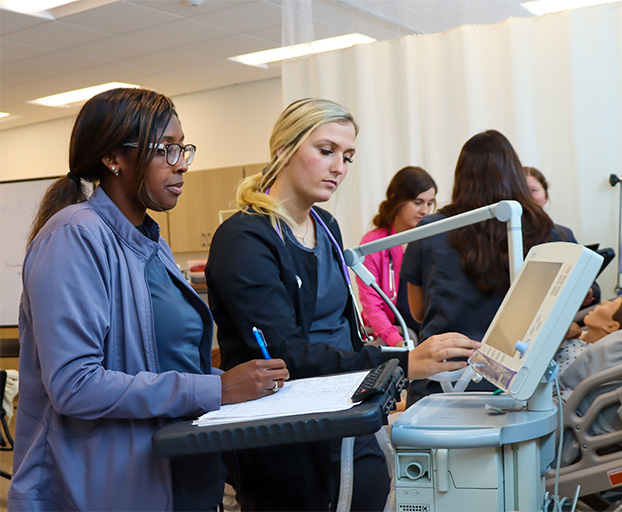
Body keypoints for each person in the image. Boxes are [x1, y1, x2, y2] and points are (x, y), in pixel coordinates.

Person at [8, 88, 290, 512]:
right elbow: (75, 385)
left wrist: (237, 383)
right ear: (113, 158)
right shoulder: (74, 235)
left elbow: (158, 360)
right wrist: (216, 388)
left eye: (183, 149)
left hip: (182, 470)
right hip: (108, 486)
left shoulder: (152, 242)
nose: (182, 164)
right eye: (166, 150)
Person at [204, 98, 478, 512]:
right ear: (283, 150)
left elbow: (343, 330)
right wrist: (402, 363)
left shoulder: (325, 225)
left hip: (346, 409)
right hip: (287, 435)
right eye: (326, 150)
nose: (339, 168)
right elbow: (286, 354)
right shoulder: (244, 239)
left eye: (347, 157)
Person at [400, 130, 572, 405]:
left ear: (461, 177)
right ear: (515, 174)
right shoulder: (547, 232)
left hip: (442, 381)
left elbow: (418, 311)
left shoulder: (430, 230)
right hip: (517, 384)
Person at [357, 166, 437, 347]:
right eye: (418, 202)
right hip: (391, 334)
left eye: (430, 203)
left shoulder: (433, 241)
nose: (425, 210)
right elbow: (372, 307)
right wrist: (398, 342)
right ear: (396, 200)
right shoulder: (372, 244)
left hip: (426, 332)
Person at [524, 165, 600, 308]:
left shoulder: (564, 233)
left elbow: (592, 284)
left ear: (546, 196)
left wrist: (589, 292)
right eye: (522, 191)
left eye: (533, 190)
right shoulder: (507, 240)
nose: (528, 197)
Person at [555, 294, 622, 373]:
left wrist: (561, 334)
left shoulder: (580, 358)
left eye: (610, 304)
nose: (603, 301)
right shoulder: (578, 334)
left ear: (610, 327)